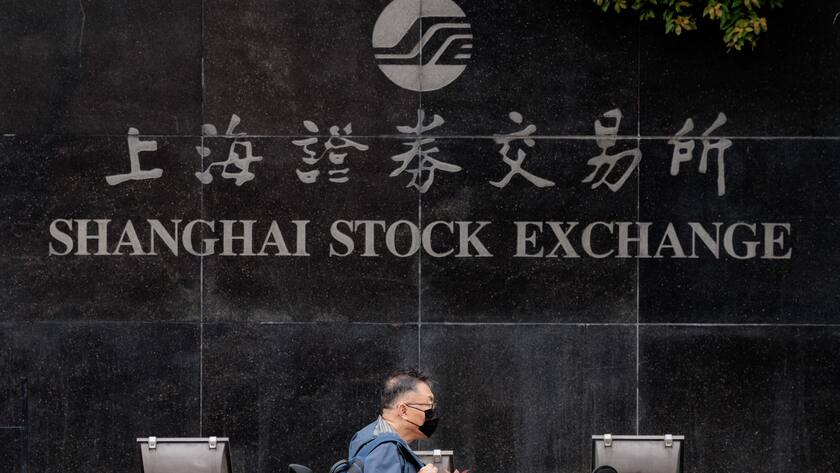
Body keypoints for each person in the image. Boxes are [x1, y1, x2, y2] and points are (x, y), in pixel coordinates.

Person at [347, 369, 441, 473]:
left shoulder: (365, 435)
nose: (433, 410)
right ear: (404, 411)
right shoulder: (385, 449)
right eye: (429, 404)